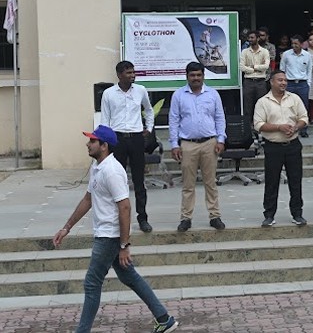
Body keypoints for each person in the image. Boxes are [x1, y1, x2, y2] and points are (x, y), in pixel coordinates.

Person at [53, 125, 178, 333]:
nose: (87, 144)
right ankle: (164, 318)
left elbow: (125, 207)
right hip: (107, 234)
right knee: (129, 277)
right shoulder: (97, 168)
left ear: (104, 146)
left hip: (109, 236)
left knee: (92, 284)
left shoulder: (112, 171)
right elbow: (88, 199)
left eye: (92, 141)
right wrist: (66, 228)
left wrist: (124, 245)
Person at [169, 62, 226, 232]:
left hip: (210, 143)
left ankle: (214, 216)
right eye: (192, 75)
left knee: (210, 183)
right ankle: (186, 218)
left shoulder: (213, 94)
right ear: (187, 76)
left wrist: (221, 139)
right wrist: (174, 144)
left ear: (203, 76)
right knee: (188, 184)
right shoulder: (178, 95)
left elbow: (219, 118)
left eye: (199, 75)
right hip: (188, 145)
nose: (196, 78)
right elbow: (173, 120)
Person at [99, 60, 155, 233]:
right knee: (117, 180)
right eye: (128, 73)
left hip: (136, 138)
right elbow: (105, 119)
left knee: (139, 180)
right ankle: (118, 219)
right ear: (119, 75)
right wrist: (105, 143)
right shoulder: (108, 93)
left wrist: (149, 128)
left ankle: (142, 218)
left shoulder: (140, 90)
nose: (132, 75)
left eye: (133, 72)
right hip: (117, 139)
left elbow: (149, 110)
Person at [254, 70, 309, 227]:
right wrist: (279, 127)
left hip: (293, 145)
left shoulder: (294, 98)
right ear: (271, 82)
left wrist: (296, 127)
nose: (283, 83)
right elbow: (258, 125)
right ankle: (269, 215)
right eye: (280, 80)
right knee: (272, 181)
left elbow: (304, 118)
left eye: (285, 80)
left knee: (295, 180)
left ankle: (297, 214)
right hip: (273, 147)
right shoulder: (263, 102)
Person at [280, 34, 312, 137]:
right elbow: (282, 69)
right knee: (287, 107)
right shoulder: (286, 54)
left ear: (302, 44)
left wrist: (308, 84)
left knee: (303, 107)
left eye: (296, 43)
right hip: (289, 84)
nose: (294, 45)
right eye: (292, 43)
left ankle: (303, 130)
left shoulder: (307, 55)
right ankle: (289, 128)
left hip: (303, 83)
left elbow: (309, 70)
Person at [239, 30, 270, 119]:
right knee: (247, 107)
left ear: (258, 38)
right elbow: (242, 68)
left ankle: (260, 128)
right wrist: (256, 69)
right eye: (249, 38)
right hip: (248, 82)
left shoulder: (264, 51)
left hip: (261, 82)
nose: (250, 39)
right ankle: (248, 130)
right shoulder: (244, 52)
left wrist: (254, 67)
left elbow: (266, 66)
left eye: (252, 37)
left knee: (261, 106)